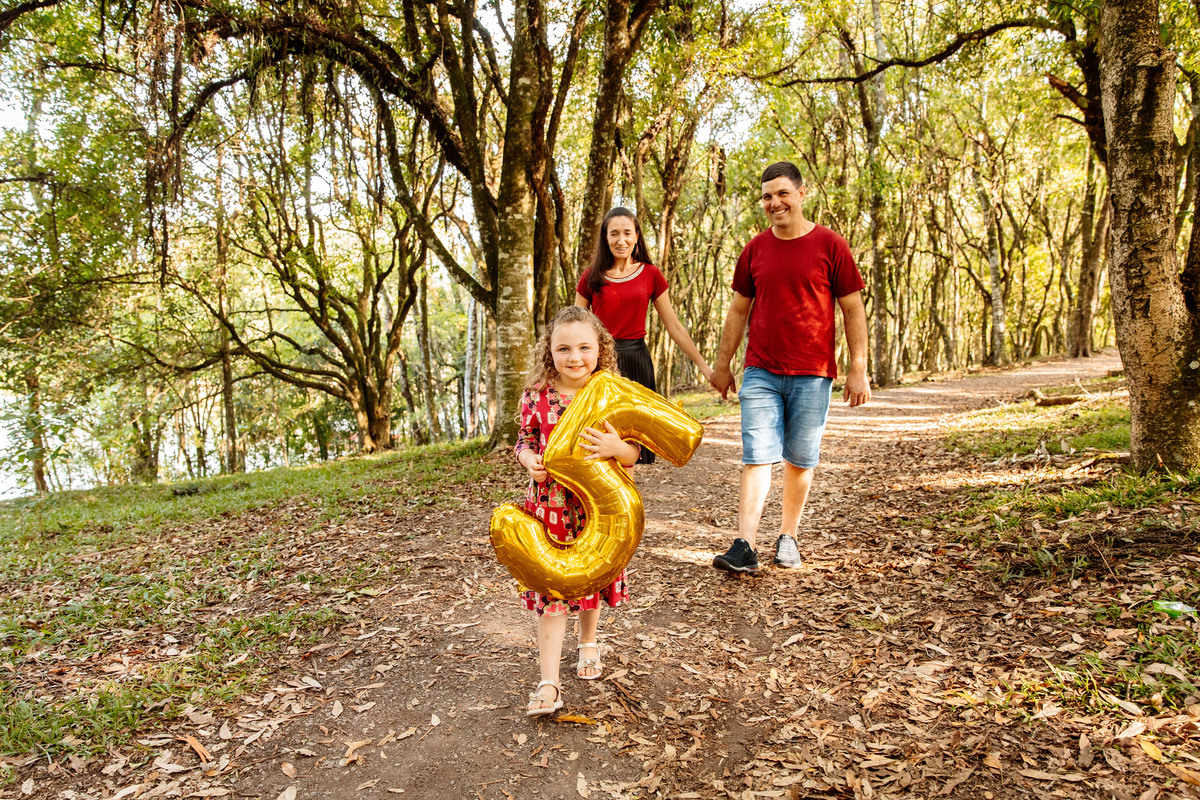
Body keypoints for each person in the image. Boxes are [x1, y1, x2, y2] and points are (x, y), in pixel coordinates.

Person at [708, 161, 871, 573]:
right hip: (761, 368)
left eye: (782, 193)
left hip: (813, 372)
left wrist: (858, 368)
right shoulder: (755, 250)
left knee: (800, 459)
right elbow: (737, 310)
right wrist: (723, 365)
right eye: (767, 196)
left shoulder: (831, 245)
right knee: (757, 456)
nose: (774, 202)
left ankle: (788, 537)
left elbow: (853, 309)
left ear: (802, 193)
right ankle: (744, 544)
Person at [515, 306, 642, 716]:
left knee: (591, 580)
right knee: (553, 588)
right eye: (563, 348)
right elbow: (524, 440)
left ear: (600, 349)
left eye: (584, 347)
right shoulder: (535, 397)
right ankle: (548, 682)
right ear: (548, 351)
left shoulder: (610, 394)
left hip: (598, 510)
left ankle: (589, 641)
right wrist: (528, 459)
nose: (574, 357)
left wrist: (616, 449)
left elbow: (634, 453)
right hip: (549, 508)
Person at [576, 207, 713, 464]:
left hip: (637, 361)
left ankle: (627, 503)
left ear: (637, 235)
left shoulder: (651, 274)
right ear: (605, 238)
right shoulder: (591, 276)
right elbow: (574, 325)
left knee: (630, 448)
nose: (621, 240)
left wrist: (703, 366)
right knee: (596, 441)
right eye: (614, 234)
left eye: (627, 233)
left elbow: (674, 326)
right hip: (600, 366)